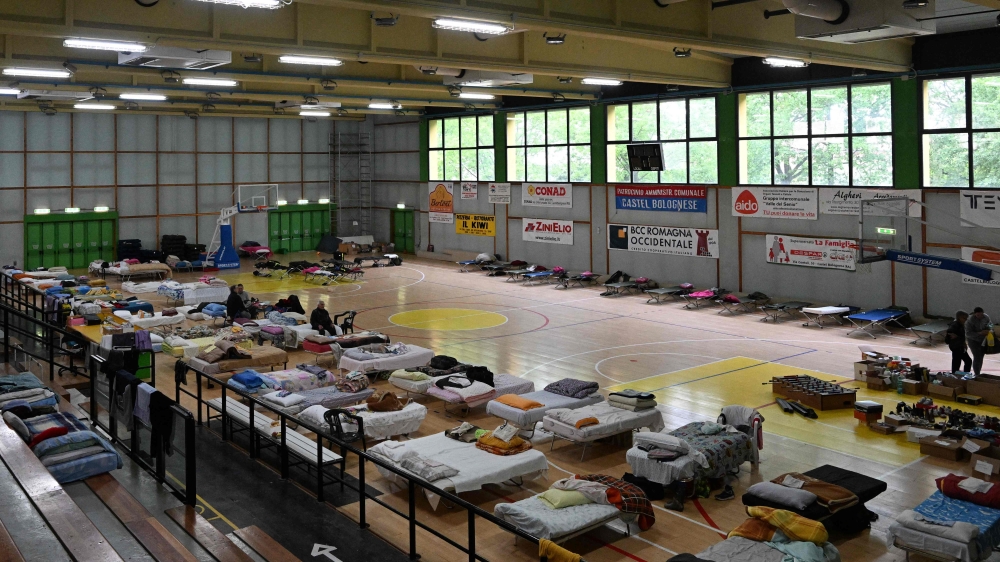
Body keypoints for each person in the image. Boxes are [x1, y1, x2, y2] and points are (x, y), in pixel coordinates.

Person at [966, 307, 993, 376]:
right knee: (977, 356)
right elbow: (968, 334)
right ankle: (977, 374)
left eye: (981, 315)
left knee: (981, 357)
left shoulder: (986, 317)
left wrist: (989, 329)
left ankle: (978, 372)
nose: (980, 317)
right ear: (975, 314)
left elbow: (990, 324)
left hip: (983, 340)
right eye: (978, 315)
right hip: (973, 340)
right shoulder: (970, 320)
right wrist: (979, 333)